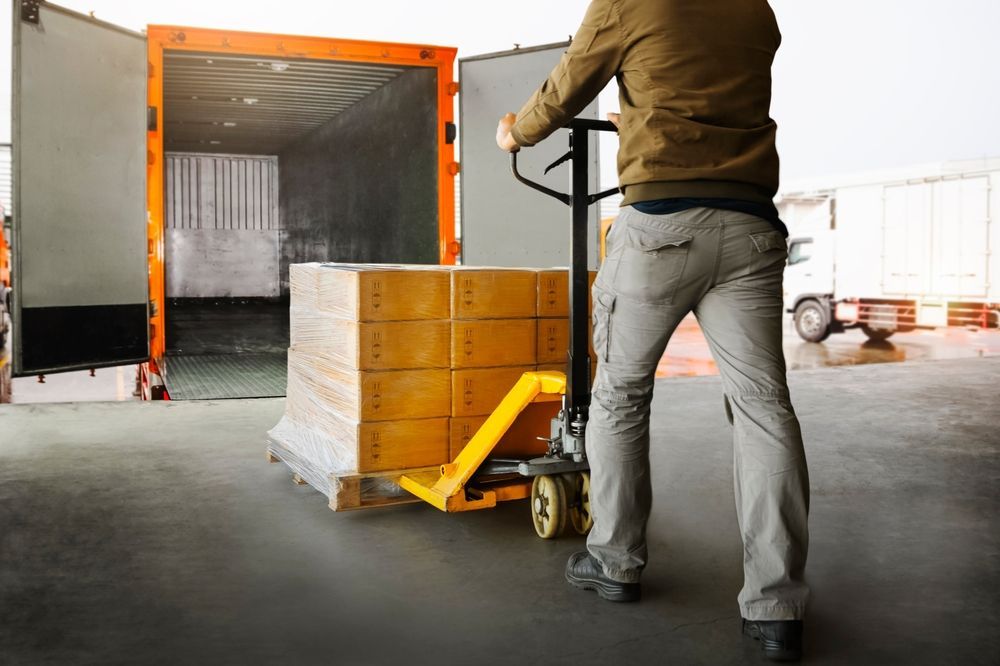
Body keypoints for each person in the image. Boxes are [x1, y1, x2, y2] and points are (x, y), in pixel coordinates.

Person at [495, 1, 810, 661]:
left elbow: (565, 85)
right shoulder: (757, 10)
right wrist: (641, 116)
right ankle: (776, 606)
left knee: (621, 392)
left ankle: (614, 560)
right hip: (750, 224)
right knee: (764, 410)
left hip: (663, 222)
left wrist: (515, 133)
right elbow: (707, 89)